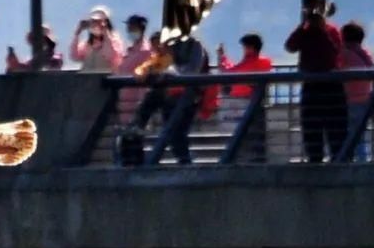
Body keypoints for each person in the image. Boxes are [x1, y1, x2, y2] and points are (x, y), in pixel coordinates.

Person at [285, 0, 345, 163]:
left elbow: (336, 52)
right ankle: (314, 160)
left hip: (331, 85)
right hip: (311, 86)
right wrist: (302, 24)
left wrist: (322, 29)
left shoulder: (331, 30)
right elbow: (290, 46)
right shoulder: (304, 31)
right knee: (312, 130)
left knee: (335, 130)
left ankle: (338, 160)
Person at [133, 34, 207, 164]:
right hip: (170, 96)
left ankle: (186, 163)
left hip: (187, 97)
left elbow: (191, 70)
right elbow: (153, 63)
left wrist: (169, 73)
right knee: (173, 133)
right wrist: (143, 71)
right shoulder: (169, 46)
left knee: (177, 134)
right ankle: (184, 163)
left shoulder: (194, 45)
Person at [218, 33, 273, 162]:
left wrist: (222, 57)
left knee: (244, 137)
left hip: (246, 105)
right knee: (257, 137)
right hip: (257, 104)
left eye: (245, 47)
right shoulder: (265, 62)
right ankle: (258, 163)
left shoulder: (250, 63)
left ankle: (246, 163)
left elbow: (231, 72)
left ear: (251, 48)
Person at [338, 21, 374, 160]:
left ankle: (346, 160)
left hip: (348, 100)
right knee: (360, 135)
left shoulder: (344, 54)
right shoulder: (365, 54)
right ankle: (363, 160)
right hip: (365, 99)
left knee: (346, 134)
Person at [116, 14, 153, 122]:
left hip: (136, 102)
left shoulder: (145, 51)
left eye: (132, 28)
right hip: (125, 102)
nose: (129, 30)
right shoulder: (130, 50)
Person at [69, 5, 124, 72]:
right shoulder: (88, 44)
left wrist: (105, 31)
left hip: (106, 80)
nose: (95, 24)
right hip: (88, 80)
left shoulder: (115, 40)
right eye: (93, 21)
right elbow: (74, 56)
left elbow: (110, 55)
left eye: (98, 21)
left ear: (106, 22)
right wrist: (77, 34)